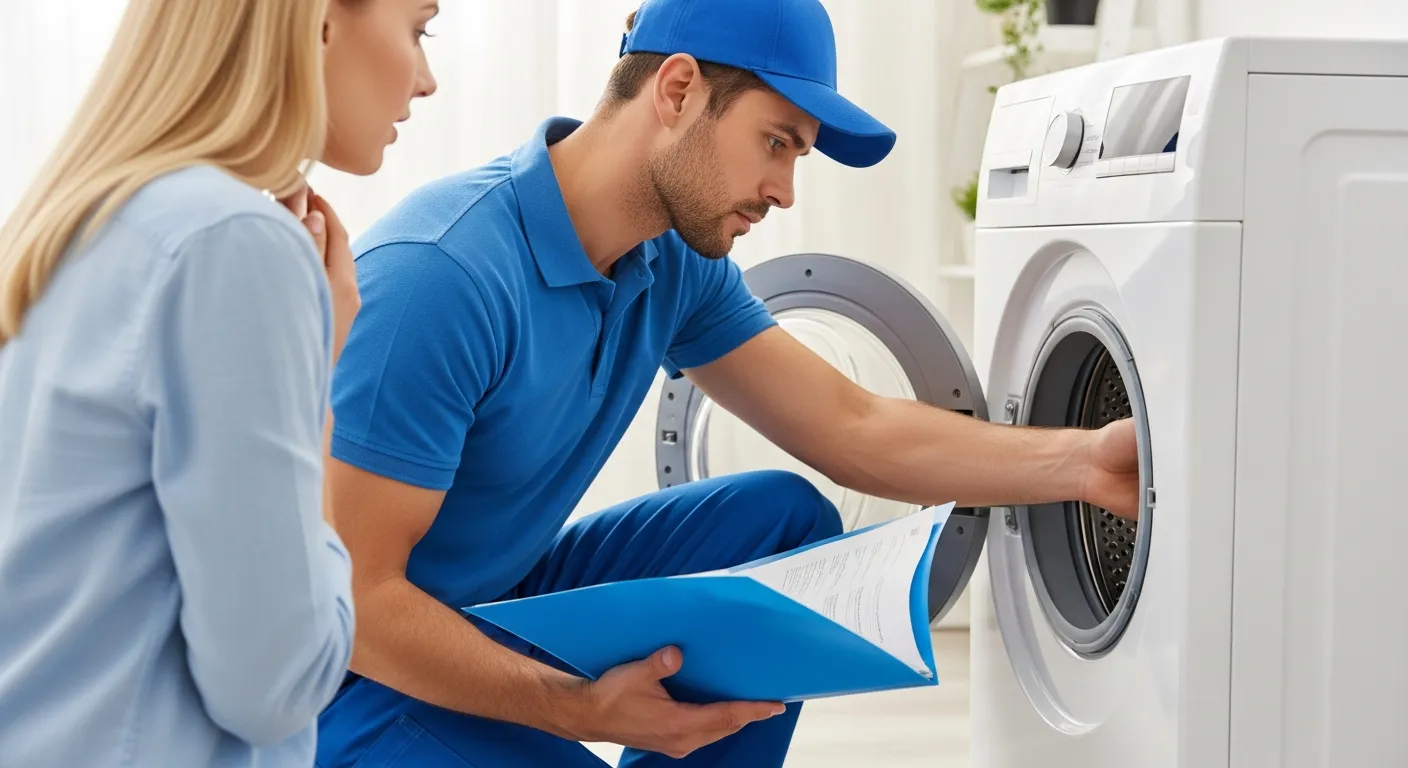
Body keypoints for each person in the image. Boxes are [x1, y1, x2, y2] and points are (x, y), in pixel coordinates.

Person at [315, 0, 1140, 765]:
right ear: (677, 89)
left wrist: (1083, 464)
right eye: (776, 142)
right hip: (353, 678)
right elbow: (354, 598)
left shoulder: (669, 259)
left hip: (494, 602)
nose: (783, 189)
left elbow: (850, 423)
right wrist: (577, 709)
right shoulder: (443, 278)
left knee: (779, 521)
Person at [0, 0, 438, 765]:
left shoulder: (85, 222)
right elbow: (276, 686)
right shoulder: (234, 245)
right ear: (322, 21)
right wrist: (320, 384)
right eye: (419, 28)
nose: (427, 80)